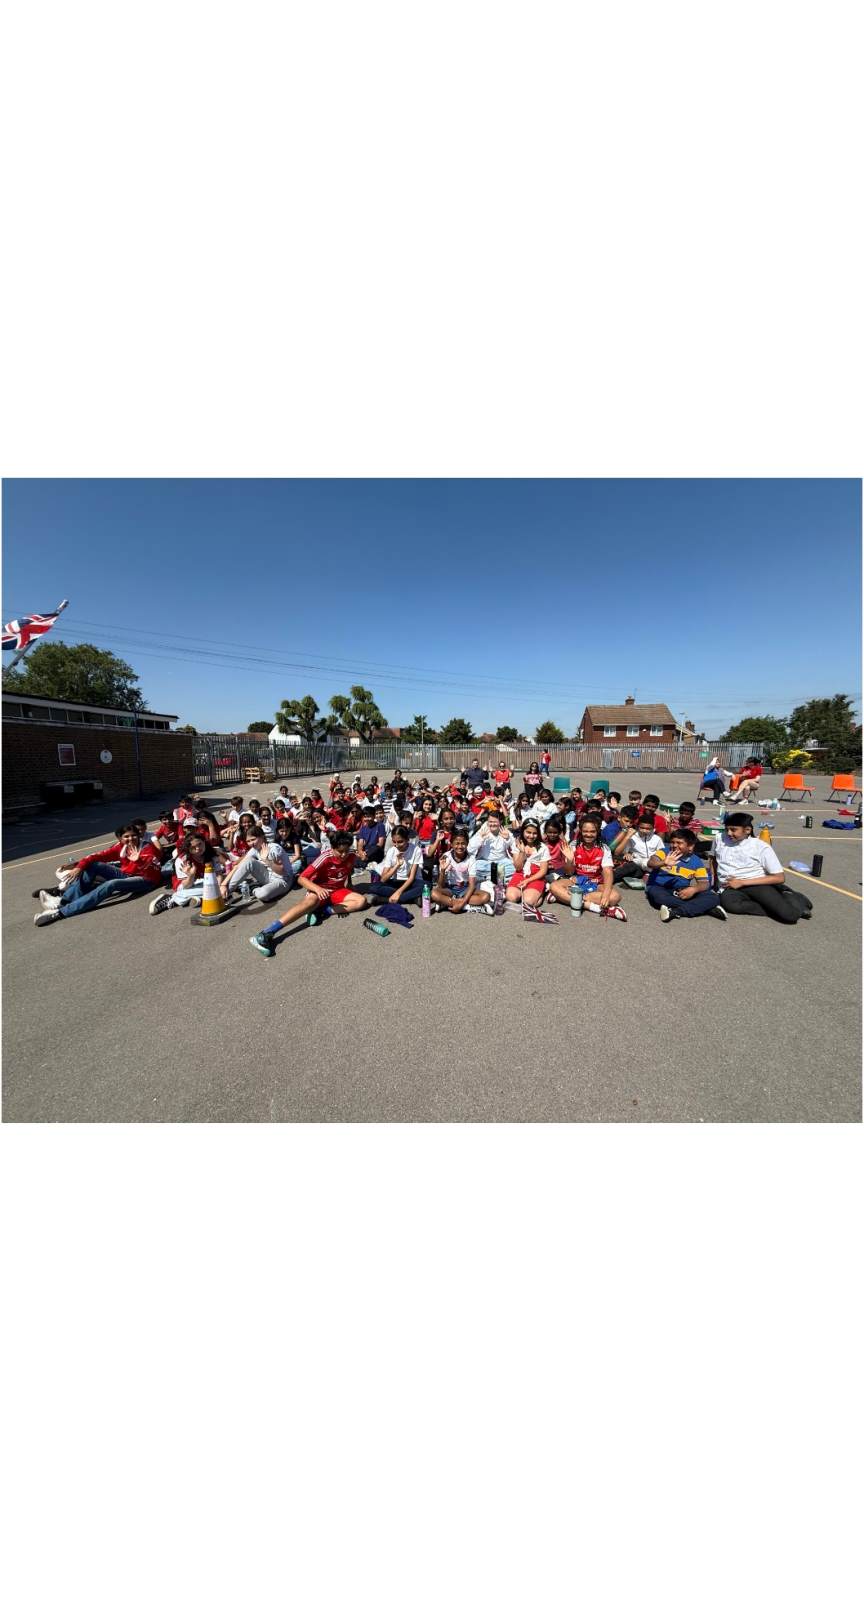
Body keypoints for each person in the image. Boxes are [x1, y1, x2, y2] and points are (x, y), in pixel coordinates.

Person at [249, 831, 368, 956]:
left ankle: (322, 911)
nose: (343, 855)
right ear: (333, 848)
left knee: (361, 901)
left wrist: (349, 884)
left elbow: (347, 869)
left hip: (337, 890)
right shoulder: (325, 857)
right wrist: (318, 889)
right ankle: (266, 933)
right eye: (340, 851)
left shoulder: (351, 855)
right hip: (319, 889)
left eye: (346, 851)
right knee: (309, 902)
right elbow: (301, 878)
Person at [34, 824, 164, 926]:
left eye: (134, 835)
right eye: (126, 836)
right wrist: (79, 867)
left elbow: (153, 869)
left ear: (139, 836)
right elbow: (95, 856)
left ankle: (60, 913)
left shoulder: (147, 847)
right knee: (94, 865)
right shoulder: (121, 847)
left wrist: (139, 861)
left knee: (111, 884)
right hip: (127, 874)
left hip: (146, 880)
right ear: (120, 838)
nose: (131, 839)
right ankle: (63, 902)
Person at [714, 813, 813, 923]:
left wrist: (742, 882)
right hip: (730, 886)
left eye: (733, 830)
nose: (728, 833)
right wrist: (714, 883)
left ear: (747, 830)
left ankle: (793, 897)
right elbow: (714, 860)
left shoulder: (761, 847)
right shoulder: (719, 838)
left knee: (790, 916)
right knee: (731, 905)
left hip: (755, 884)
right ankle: (775, 907)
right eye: (726, 829)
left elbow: (779, 878)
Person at [545, 816, 626, 919]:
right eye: (585, 831)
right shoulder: (574, 845)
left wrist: (606, 895)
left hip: (596, 883)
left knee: (615, 897)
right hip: (576, 881)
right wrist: (569, 860)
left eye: (592, 831)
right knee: (554, 886)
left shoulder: (604, 848)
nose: (588, 834)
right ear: (581, 831)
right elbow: (569, 872)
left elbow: (608, 872)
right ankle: (595, 907)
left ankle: (564, 897)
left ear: (598, 832)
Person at [644, 828, 726, 922]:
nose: (674, 845)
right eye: (672, 842)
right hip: (658, 887)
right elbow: (651, 863)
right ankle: (706, 909)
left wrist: (694, 889)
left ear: (690, 846)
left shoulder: (696, 861)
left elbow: (704, 883)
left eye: (679, 843)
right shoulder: (664, 852)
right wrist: (663, 863)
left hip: (681, 890)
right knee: (660, 898)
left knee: (713, 897)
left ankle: (676, 912)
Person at [149, 832, 227, 913]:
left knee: (222, 886)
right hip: (185, 885)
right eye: (193, 847)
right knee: (212, 890)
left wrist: (219, 887)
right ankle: (173, 898)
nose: (198, 848)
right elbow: (186, 886)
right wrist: (191, 875)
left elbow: (218, 874)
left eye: (200, 844)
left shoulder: (211, 854)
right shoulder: (182, 860)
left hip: (204, 882)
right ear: (188, 848)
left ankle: (197, 898)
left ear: (204, 842)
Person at [218, 826, 293, 905]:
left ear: (262, 837)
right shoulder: (255, 849)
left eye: (253, 839)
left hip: (283, 880)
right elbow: (238, 866)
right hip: (268, 877)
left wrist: (266, 860)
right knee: (248, 861)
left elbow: (281, 872)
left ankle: (253, 888)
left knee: (262, 894)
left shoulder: (274, 848)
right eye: (248, 841)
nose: (251, 843)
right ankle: (225, 893)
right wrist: (224, 884)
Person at [430, 829, 493, 914]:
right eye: (457, 843)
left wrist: (462, 903)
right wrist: (442, 870)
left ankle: (449, 903)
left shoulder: (471, 858)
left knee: (486, 896)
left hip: (465, 889)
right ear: (451, 844)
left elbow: (472, 886)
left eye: (463, 843)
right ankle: (466, 906)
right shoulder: (446, 856)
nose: (460, 846)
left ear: (467, 844)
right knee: (433, 893)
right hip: (449, 889)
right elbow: (440, 886)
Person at [361, 827, 424, 905]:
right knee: (374, 887)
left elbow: (411, 877)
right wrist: (396, 865)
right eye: (394, 842)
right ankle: (411, 898)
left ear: (407, 839)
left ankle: (386, 900)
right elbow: (383, 879)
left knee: (426, 886)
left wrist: (398, 892)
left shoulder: (416, 850)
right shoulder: (391, 851)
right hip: (396, 882)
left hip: (411, 882)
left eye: (400, 842)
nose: (396, 845)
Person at [504, 819, 550, 912]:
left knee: (528, 902)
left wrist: (528, 881)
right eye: (528, 832)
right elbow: (518, 867)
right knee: (511, 897)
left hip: (536, 877)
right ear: (523, 831)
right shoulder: (517, 844)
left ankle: (541, 892)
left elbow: (543, 871)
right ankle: (526, 893)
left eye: (534, 833)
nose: (531, 836)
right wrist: (522, 852)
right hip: (520, 874)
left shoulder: (543, 848)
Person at [611, 810, 664, 886]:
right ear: (637, 826)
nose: (644, 831)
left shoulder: (657, 839)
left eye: (648, 829)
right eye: (642, 828)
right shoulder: (633, 837)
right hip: (638, 864)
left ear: (653, 828)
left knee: (662, 871)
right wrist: (627, 853)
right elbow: (622, 851)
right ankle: (607, 879)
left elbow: (662, 852)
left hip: (652, 865)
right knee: (627, 869)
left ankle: (649, 875)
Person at [467, 812, 516, 885]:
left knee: (512, 867)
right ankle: (494, 877)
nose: (492, 824)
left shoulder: (506, 832)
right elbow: (469, 849)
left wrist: (508, 839)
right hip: (485, 863)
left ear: (500, 822)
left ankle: (490, 878)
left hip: (501, 862)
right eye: (490, 822)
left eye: (495, 822)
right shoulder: (482, 832)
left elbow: (515, 849)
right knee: (473, 866)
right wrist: (480, 839)